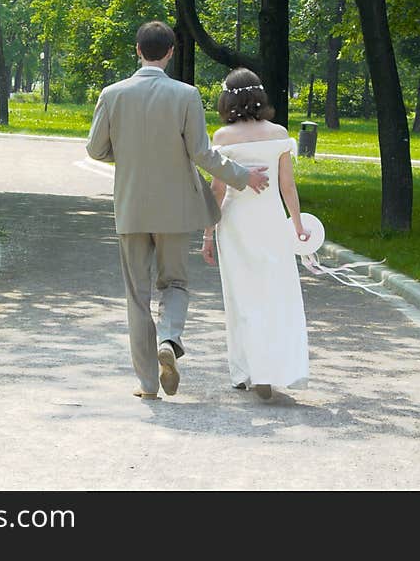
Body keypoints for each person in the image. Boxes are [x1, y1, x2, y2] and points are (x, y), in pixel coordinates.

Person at [86, 21, 270, 400]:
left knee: (136, 295)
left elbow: (95, 149)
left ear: (137, 49)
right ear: (171, 52)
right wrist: (242, 176)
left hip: (131, 208)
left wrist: (126, 156)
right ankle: (169, 337)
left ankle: (148, 384)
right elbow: (201, 153)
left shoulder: (112, 94)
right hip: (175, 209)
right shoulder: (186, 95)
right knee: (175, 283)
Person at [201, 68, 310, 401]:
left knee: (240, 296)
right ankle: (273, 368)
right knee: (276, 293)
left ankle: (247, 370)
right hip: (270, 220)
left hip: (237, 221)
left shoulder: (223, 138)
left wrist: (208, 233)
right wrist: (297, 225)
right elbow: (287, 186)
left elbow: (218, 190)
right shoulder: (278, 134)